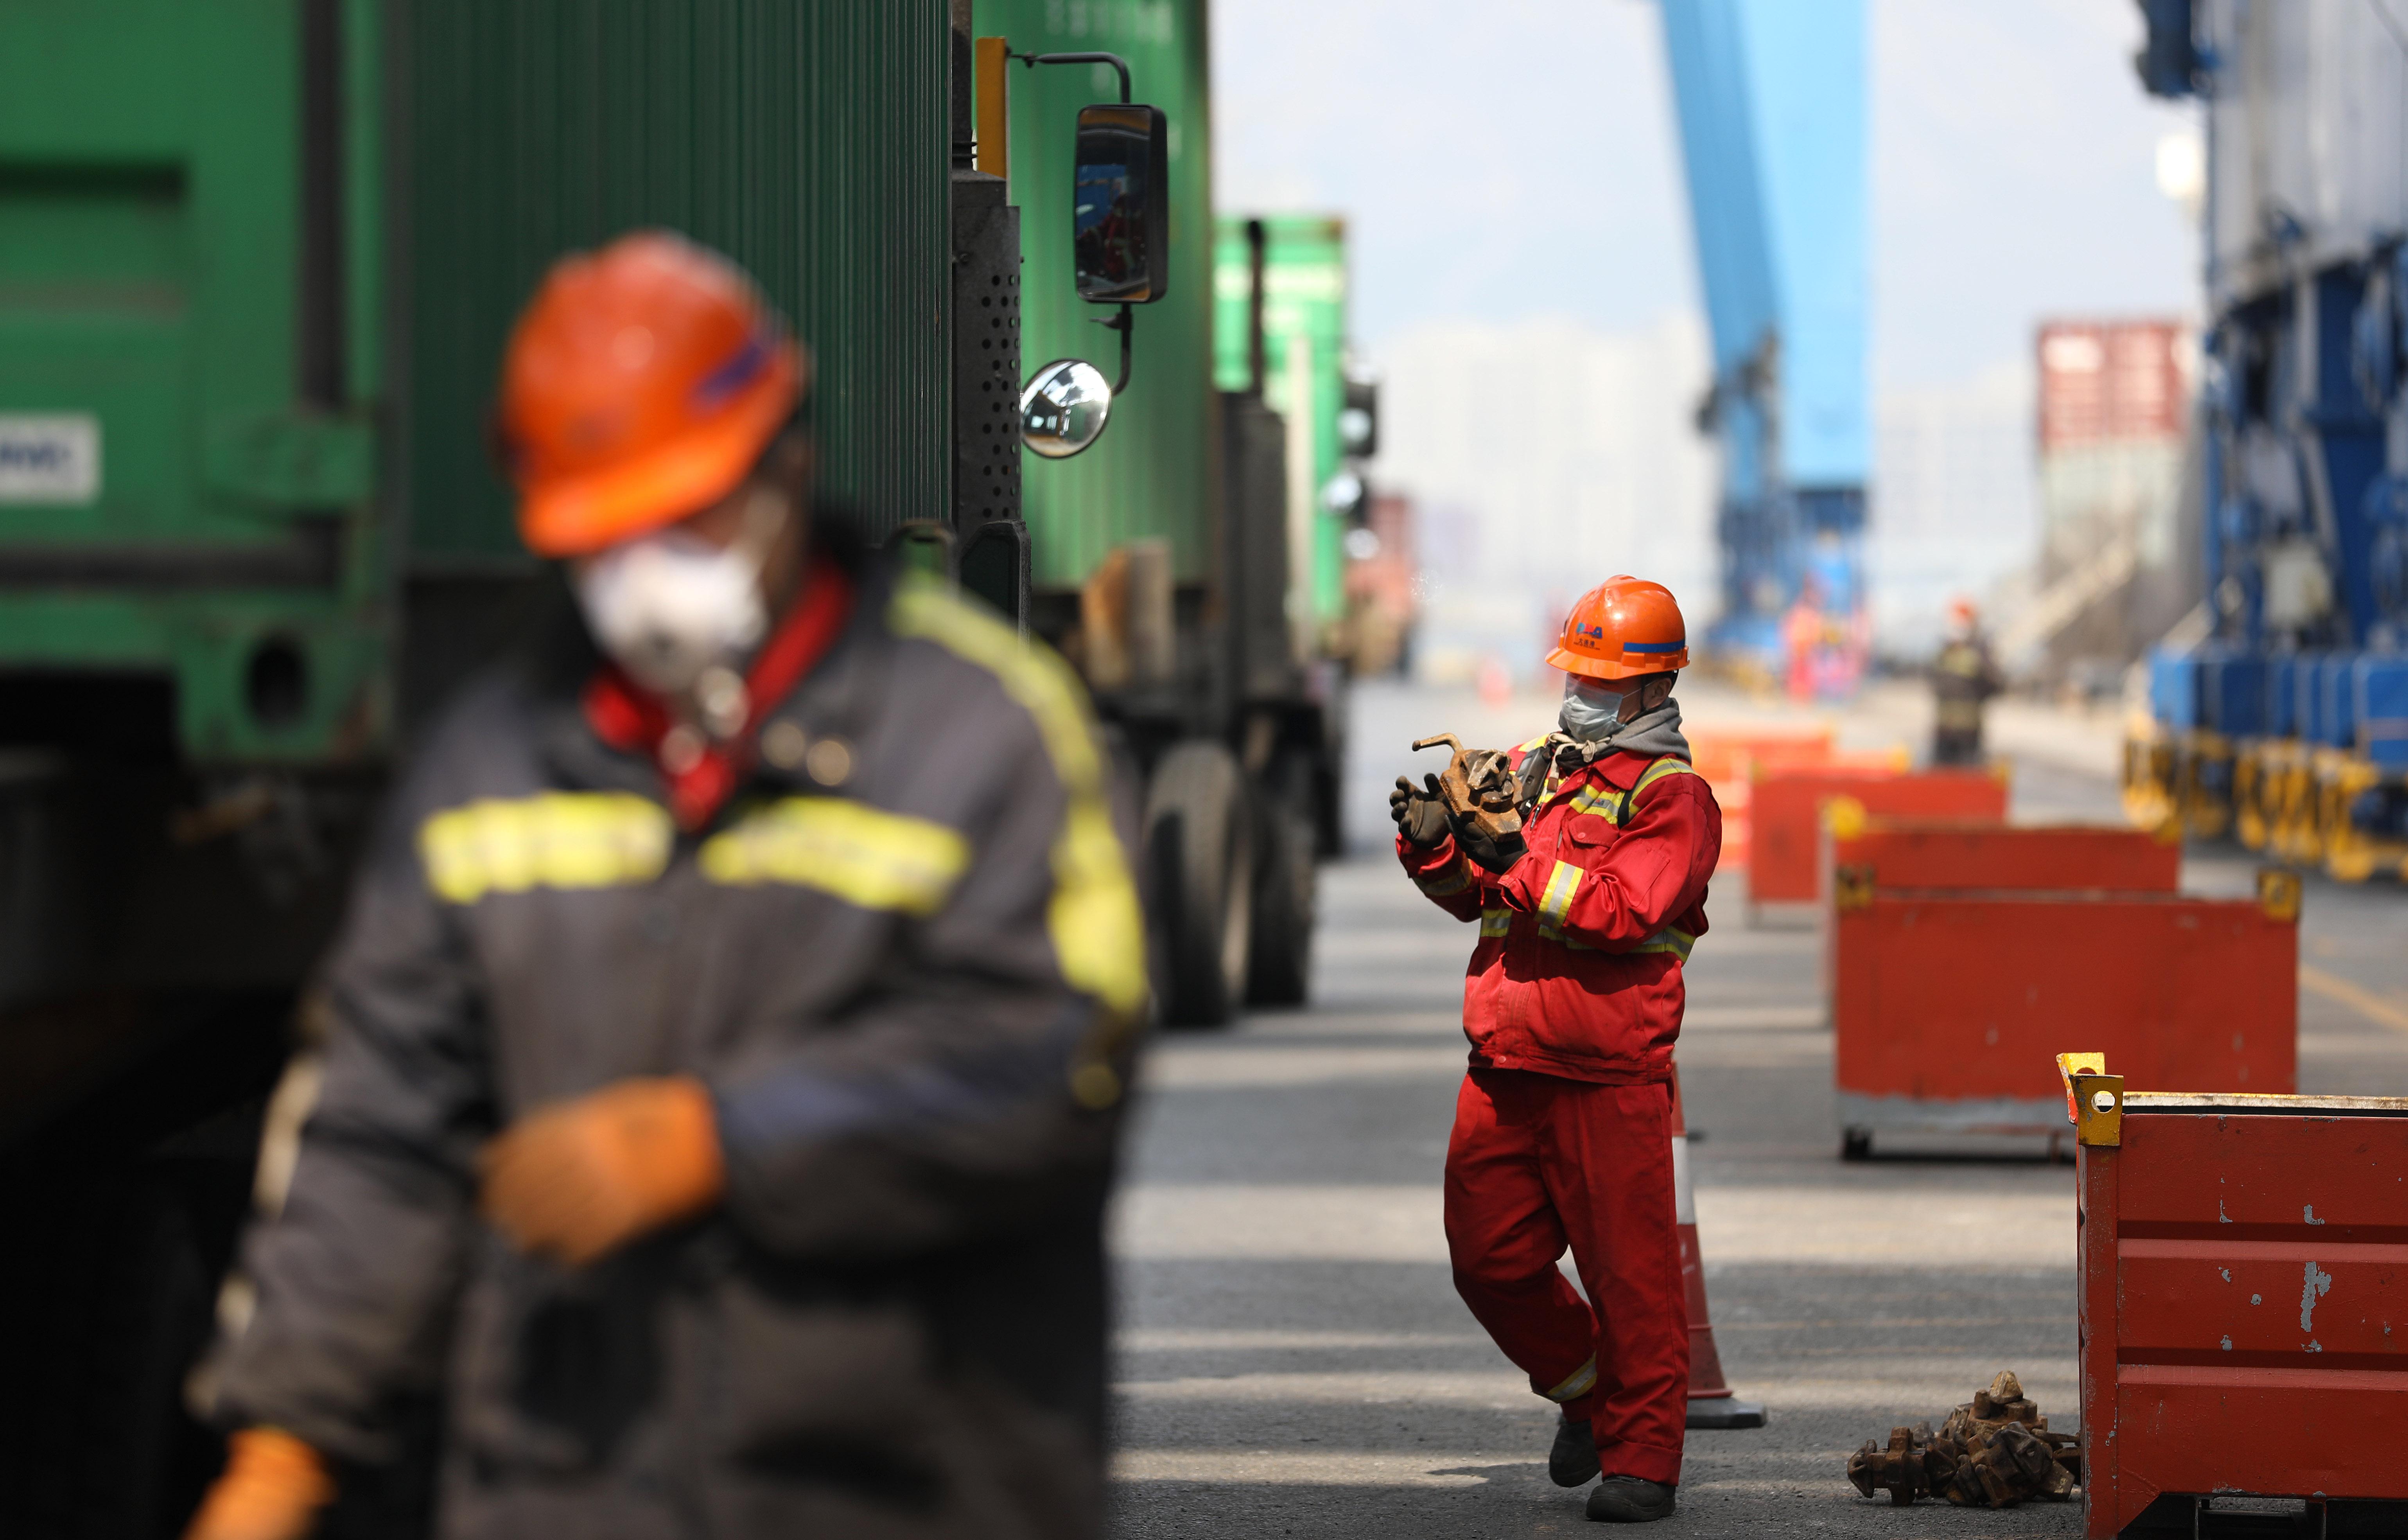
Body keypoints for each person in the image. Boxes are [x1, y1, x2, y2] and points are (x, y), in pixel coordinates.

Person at [183, 232, 1148, 1540]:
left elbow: (1051, 1056)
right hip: (567, 1483)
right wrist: (281, 1452)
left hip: (901, 1483)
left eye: (681, 515)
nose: (644, 571)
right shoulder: (485, 771)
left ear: (785, 462)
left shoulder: (977, 736)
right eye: (605, 533)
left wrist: (720, 1138)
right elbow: (381, 1118)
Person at [1389, 576, 1721, 1525]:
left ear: (1654, 690)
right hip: (1502, 1064)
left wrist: (1510, 858)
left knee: (1633, 1281)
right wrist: (1435, 852)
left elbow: (1622, 909)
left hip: (1605, 1078)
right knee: (1486, 1260)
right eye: (1574, 672)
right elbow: (1480, 901)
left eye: (1602, 680)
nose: (1580, 692)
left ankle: (1642, 1462)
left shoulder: (1674, 799)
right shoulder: (1533, 767)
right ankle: (1585, 1397)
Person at [1931, 597, 2003, 766]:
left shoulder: (1980, 651)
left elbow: (1996, 685)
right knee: (1941, 782)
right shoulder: (1944, 651)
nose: (1956, 625)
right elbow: (1934, 683)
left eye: (1961, 620)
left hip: (1969, 733)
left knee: (1969, 781)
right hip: (1944, 731)